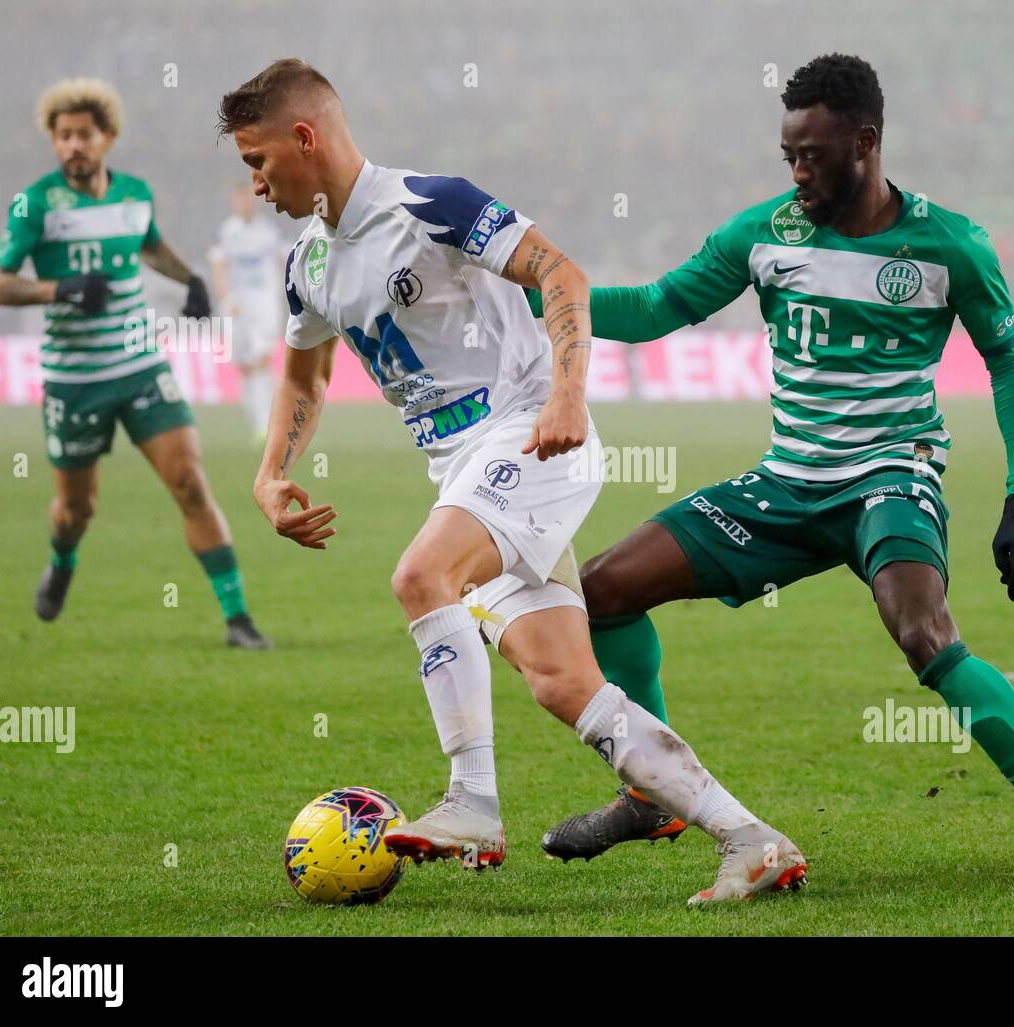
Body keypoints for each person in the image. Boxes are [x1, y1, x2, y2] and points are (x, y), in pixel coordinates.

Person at [531, 54, 1014, 887]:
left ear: (867, 142)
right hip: (787, 485)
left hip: (893, 476)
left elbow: (1009, 363)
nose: (798, 172)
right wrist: (533, 291)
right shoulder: (764, 235)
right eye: (788, 155)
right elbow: (655, 308)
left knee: (923, 633)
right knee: (601, 590)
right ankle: (653, 797)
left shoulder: (949, 245)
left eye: (813, 154)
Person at [218, 58, 806, 904]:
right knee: (564, 682)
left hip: (532, 438)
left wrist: (566, 390)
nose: (257, 183)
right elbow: (304, 378)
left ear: (303, 137)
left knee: (422, 575)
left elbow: (560, 273)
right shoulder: (308, 263)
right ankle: (751, 839)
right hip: (466, 471)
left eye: (257, 160)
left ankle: (473, 802)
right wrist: (271, 474)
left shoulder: (430, 202)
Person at [0, 77, 269, 649]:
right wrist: (59, 289)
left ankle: (238, 619)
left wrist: (189, 280)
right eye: (63, 136)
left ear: (107, 138)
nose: (73, 146)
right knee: (74, 509)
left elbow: (149, 245)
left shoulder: (134, 194)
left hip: (140, 365)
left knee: (190, 481)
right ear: (53, 141)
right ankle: (62, 561)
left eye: (84, 135)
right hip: (74, 380)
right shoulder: (34, 203)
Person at [209, 183, 287, 443]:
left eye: (248, 199)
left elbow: (283, 261)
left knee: (262, 358)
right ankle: (257, 419)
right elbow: (219, 267)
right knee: (245, 365)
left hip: (264, 303)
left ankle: (268, 421)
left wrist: (287, 295)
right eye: (239, 199)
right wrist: (227, 297)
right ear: (234, 202)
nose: (245, 204)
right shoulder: (226, 232)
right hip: (236, 307)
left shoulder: (269, 231)